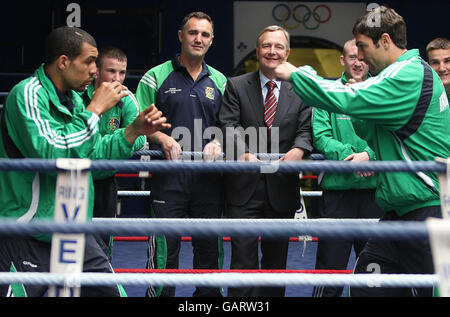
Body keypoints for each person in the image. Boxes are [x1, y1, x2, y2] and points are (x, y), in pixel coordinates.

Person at [275, 6, 449, 297]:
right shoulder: (404, 73)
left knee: (434, 291)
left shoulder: (407, 75)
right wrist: (364, 108)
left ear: (384, 41)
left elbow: (347, 99)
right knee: (368, 287)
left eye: (364, 47)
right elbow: (375, 132)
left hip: (429, 209)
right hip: (400, 211)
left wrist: (296, 74)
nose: (362, 56)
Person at [0, 26, 169, 297]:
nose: (95, 70)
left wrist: (132, 131)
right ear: (64, 62)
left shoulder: (74, 102)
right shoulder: (27, 94)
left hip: (72, 227)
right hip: (27, 232)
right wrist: (94, 111)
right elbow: (52, 152)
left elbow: (91, 153)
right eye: (89, 61)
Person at [135, 12, 227, 297]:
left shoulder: (221, 81)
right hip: (167, 179)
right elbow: (137, 122)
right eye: (193, 33)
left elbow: (230, 126)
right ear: (181, 36)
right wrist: (161, 137)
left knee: (210, 253)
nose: (198, 38)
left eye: (205, 34)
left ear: (211, 41)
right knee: (164, 254)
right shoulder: (155, 76)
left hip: (209, 181)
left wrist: (220, 142)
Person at [218, 25, 312, 297]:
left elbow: (306, 130)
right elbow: (227, 125)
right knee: (243, 264)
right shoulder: (236, 85)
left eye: (278, 46)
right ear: (257, 50)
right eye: (267, 46)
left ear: (288, 52)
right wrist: (243, 153)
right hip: (243, 187)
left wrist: (300, 149)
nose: (272, 51)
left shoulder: (302, 88)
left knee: (275, 265)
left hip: (281, 186)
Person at [311, 38, 383, 297]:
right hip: (338, 194)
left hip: (375, 193)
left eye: (362, 57)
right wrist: (354, 158)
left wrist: (370, 156)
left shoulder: (381, 92)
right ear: (342, 60)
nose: (358, 62)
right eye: (352, 57)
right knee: (330, 269)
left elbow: (392, 135)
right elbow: (321, 136)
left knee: (374, 269)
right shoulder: (328, 93)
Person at [80, 46, 146, 257]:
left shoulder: (126, 98)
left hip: (105, 180)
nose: (117, 78)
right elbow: (76, 141)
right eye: (111, 71)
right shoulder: (78, 95)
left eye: (122, 72)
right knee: (71, 240)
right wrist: (122, 137)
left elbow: (141, 139)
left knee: (102, 245)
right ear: (97, 71)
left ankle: (100, 287)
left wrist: (101, 143)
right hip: (75, 180)